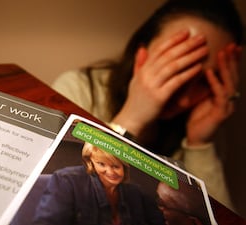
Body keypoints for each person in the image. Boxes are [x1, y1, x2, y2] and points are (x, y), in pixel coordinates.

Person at [51, 0, 244, 211]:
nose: (184, 99)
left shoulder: (201, 121)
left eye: (206, 81)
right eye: (178, 69)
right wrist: (132, 119)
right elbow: (63, 197)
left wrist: (200, 144)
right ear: (140, 53)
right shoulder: (79, 89)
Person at [32, 143, 165, 225]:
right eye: (101, 164)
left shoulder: (136, 193)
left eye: (116, 166)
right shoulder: (67, 180)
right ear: (91, 163)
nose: (110, 172)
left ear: (125, 167)